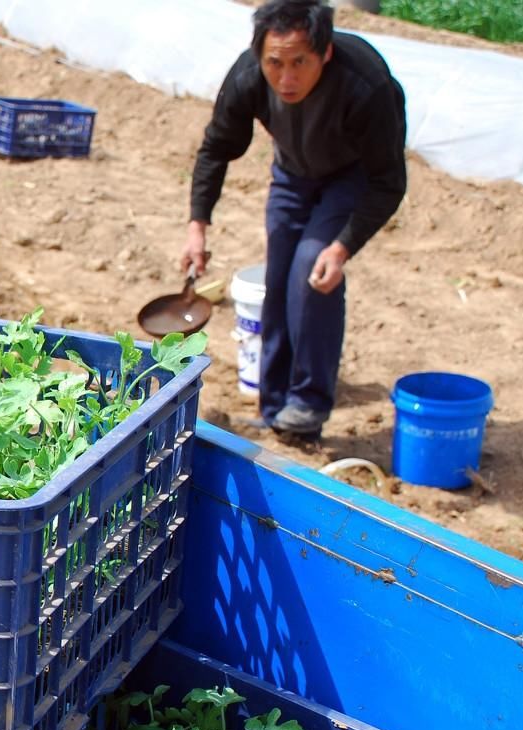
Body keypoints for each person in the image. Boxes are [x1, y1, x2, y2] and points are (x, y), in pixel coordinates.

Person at [181, 0, 407, 438]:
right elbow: (216, 149)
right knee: (280, 277)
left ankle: (308, 404)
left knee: (313, 269)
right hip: (291, 174)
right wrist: (197, 226)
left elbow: (389, 182)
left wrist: (342, 247)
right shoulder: (249, 75)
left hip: (350, 174)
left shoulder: (366, 84)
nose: (286, 78)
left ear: (325, 52)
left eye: (299, 62)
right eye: (274, 63)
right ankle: (274, 403)